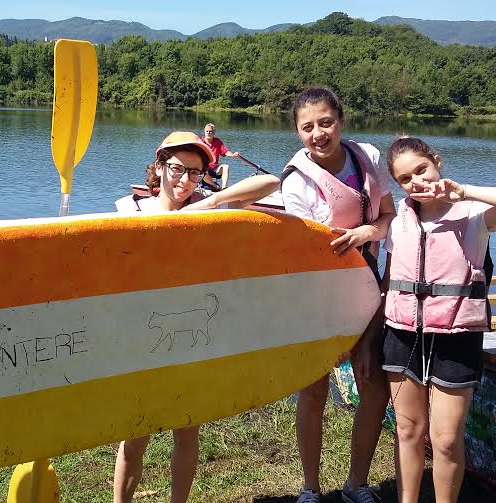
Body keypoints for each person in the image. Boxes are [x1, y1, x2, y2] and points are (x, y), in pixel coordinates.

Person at [113, 131, 279, 503]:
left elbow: (272, 182)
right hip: (144, 338)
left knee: (187, 431)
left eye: (194, 172)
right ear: (159, 166)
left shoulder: (209, 207)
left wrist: (214, 199)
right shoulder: (129, 209)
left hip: (190, 339)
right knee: (134, 435)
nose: (184, 180)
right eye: (176, 169)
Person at [383, 137, 496, 503]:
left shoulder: (473, 214)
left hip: (456, 339)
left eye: (421, 170)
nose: (417, 182)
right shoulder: (398, 221)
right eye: (405, 179)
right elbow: (389, 278)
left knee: (446, 439)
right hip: (402, 336)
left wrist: (465, 191)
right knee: (407, 430)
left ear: (436, 162)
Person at [279, 87, 395, 503]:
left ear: (341, 121)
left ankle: (355, 484)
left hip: (368, 289)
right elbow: (307, 251)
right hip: (317, 296)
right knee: (313, 392)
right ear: (297, 132)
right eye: (307, 127)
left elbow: (388, 216)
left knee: (373, 387)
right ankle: (310, 488)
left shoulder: (369, 158)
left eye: (326, 122)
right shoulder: (296, 182)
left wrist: (367, 232)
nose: (318, 134)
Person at [199, 123, 239, 191]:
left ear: (213, 133)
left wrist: (233, 155)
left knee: (226, 167)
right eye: (207, 131)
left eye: (210, 131)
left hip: (215, 168)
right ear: (204, 132)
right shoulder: (200, 142)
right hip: (205, 168)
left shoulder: (217, 141)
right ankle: (216, 187)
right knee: (203, 170)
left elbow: (225, 152)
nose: (208, 133)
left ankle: (224, 188)